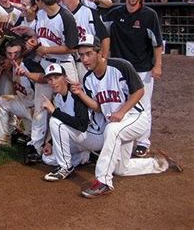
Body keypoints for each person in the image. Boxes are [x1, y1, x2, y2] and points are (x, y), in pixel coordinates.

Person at [76, 34, 182, 198]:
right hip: (119, 124)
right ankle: (160, 163)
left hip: (136, 118)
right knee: (121, 169)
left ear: (99, 52)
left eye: (88, 53)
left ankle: (103, 181)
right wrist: (81, 94)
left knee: (111, 131)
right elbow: (98, 108)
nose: (84, 59)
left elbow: (139, 91)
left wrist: (121, 111)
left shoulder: (120, 66)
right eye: (81, 55)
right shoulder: (88, 79)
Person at [103, 0, 163, 158]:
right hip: (119, 68)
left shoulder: (149, 15)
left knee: (143, 106)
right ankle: (122, 137)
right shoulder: (115, 13)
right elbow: (100, 28)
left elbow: (157, 43)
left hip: (142, 68)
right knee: (122, 103)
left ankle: (143, 142)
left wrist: (158, 65)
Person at [41, 63, 106, 181]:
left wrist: (54, 111)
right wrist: (50, 142)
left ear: (65, 78)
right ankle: (86, 156)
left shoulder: (76, 94)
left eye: (56, 77)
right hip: (80, 138)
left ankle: (66, 167)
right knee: (48, 158)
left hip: (95, 135)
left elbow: (82, 125)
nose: (53, 82)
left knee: (55, 121)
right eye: (50, 79)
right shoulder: (59, 98)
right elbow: (66, 121)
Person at [0, 40, 45, 147]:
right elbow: (18, 84)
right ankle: (2, 139)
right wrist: (6, 71)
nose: (13, 56)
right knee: (0, 101)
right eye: (9, 54)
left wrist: (27, 74)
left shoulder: (28, 63)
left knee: (37, 144)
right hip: (24, 104)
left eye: (16, 53)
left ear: (21, 53)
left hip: (38, 109)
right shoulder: (13, 66)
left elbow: (45, 77)